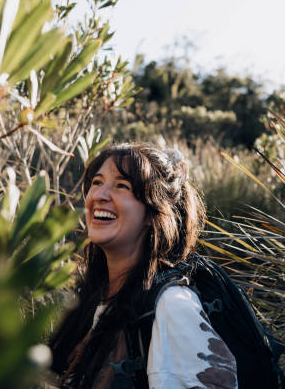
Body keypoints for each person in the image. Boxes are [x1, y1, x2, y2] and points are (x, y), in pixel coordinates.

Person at [49, 143, 237, 388]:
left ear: (152, 213)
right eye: (97, 182)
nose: (100, 195)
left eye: (121, 186)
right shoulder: (92, 298)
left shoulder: (173, 306)